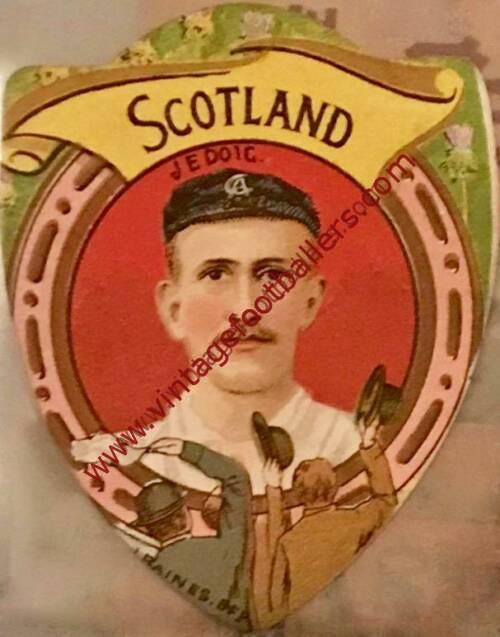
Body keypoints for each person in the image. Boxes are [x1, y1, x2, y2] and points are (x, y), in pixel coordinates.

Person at [72, 168, 361, 494]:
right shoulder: (121, 463)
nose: (246, 309)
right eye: (216, 275)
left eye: (272, 275)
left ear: (310, 302)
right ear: (173, 309)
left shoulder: (355, 447)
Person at [266, 415, 397, 621]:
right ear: (334, 488)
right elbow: (386, 500)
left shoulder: (288, 541)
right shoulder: (354, 520)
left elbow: (275, 601)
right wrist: (369, 445)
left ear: (299, 496)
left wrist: (273, 489)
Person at [135, 437, 252, 631]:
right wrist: (188, 450)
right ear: (184, 515)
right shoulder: (226, 549)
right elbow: (237, 478)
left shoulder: (146, 575)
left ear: (147, 529)